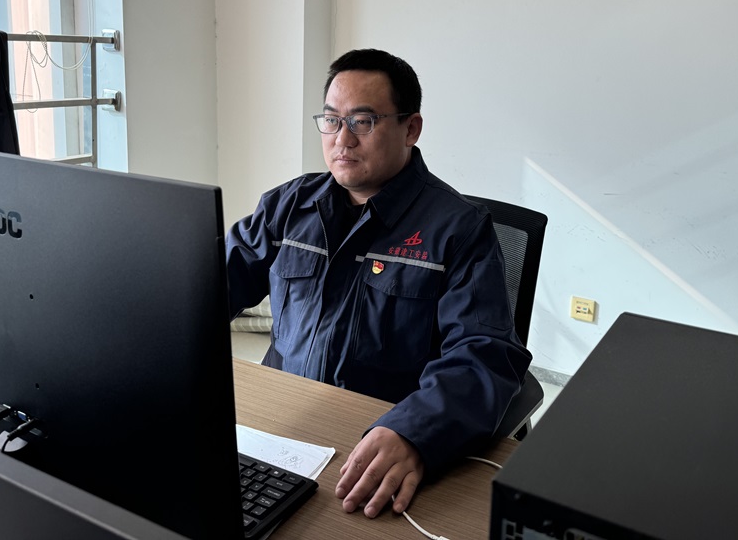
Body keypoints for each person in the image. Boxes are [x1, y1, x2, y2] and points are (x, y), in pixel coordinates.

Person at [225, 48, 532, 519]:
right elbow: (209, 284)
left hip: (381, 436)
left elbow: (485, 354)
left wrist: (415, 431)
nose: (342, 140)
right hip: (282, 420)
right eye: (331, 120)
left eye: (363, 121)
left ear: (411, 129)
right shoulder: (290, 205)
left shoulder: (458, 229)